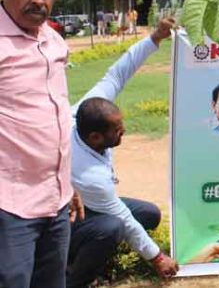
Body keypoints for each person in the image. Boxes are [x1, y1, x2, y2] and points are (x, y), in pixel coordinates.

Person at [68, 17, 179, 287]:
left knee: (149, 214)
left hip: (88, 207)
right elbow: (123, 218)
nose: (124, 131)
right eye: (117, 130)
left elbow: (118, 72)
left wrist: (155, 38)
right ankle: (72, 278)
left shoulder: (88, 109)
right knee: (112, 227)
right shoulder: (88, 173)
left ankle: (96, 257)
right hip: (61, 223)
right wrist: (158, 258)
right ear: (95, 137)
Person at [0, 0, 84, 288]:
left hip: (56, 199)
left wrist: (66, 180)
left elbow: (53, 115)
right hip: (9, 206)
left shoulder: (52, 40)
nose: (39, 0)